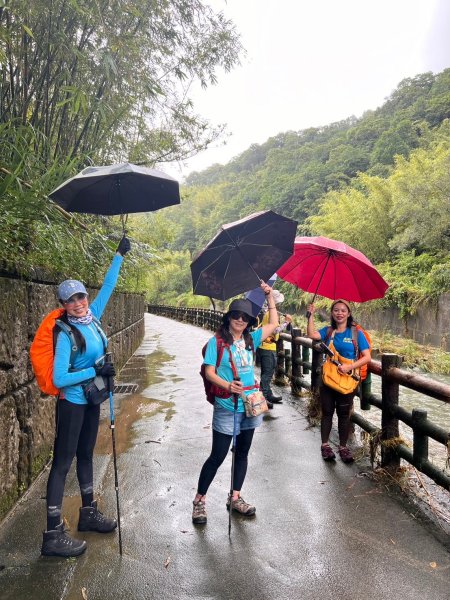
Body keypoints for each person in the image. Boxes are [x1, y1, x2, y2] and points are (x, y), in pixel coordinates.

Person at [41, 236, 131, 557]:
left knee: (87, 455)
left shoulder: (92, 316)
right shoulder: (66, 332)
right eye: (71, 300)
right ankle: (52, 534)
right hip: (72, 404)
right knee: (62, 463)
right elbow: (59, 377)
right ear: (63, 304)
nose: (78, 303)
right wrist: (95, 371)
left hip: (91, 400)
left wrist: (119, 255)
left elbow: (108, 285)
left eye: (80, 296)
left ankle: (88, 513)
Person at [192, 285, 279, 525]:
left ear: (249, 320)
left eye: (244, 316)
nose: (240, 320)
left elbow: (273, 323)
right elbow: (209, 372)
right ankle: (199, 501)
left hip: (250, 405)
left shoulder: (252, 339)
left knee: (242, 452)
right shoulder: (217, 342)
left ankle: (235, 496)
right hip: (227, 405)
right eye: (235, 315)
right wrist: (228, 386)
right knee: (218, 456)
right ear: (228, 317)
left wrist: (269, 296)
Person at [307, 299, 370, 464]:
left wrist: (350, 367)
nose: (339, 313)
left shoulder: (356, 333)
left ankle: (343, 447)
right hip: (329, 379)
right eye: (336, 310)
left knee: (343, 415)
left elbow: (367, 357)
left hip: (347, 380)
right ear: (332, 313)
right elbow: (312, 335)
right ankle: (325, 446)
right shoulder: (328, 331)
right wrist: (310, 315)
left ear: (348, 313)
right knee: (327, 412)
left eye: (343, 310)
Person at [256, 289, 292, 408]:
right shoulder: (272, 313)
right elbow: (275, 329)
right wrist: (286, 322)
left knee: (267, 372)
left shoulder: (269, 312)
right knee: (267, 373)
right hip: (268, 347)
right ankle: (263, 398)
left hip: (265, 346)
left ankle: (269, 394)